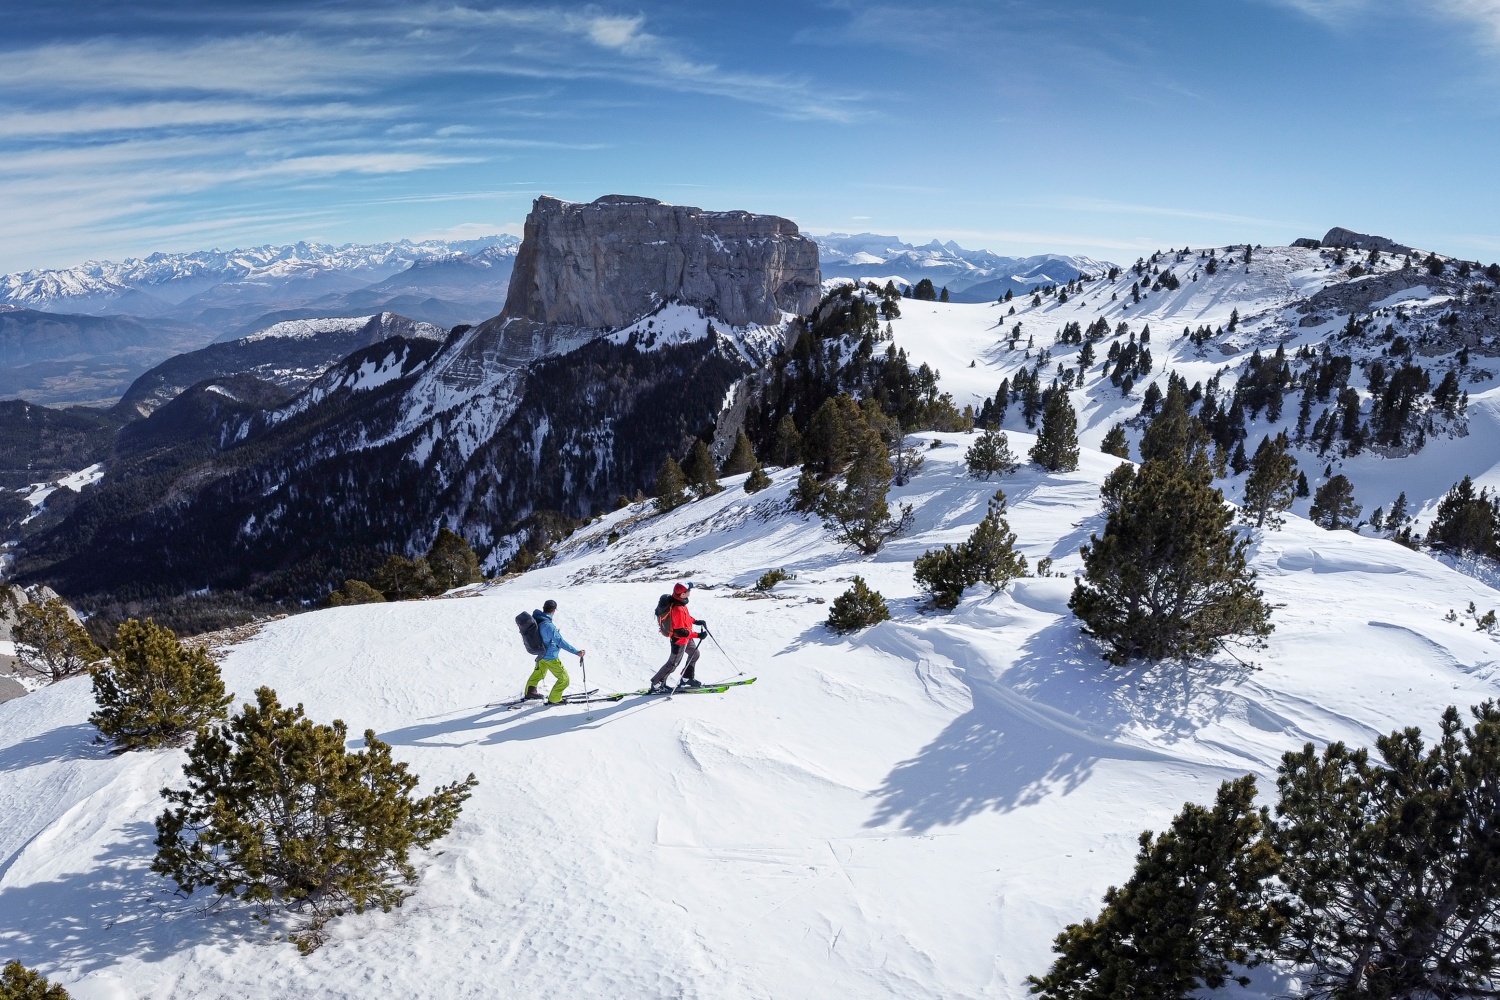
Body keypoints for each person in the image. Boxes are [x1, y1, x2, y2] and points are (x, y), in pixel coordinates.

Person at [525, 599, 585, 704]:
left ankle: (530, 693)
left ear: (543, 608)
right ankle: (554, 699)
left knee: (538, 674)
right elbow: (561, 642)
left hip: (541, 655)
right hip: (550, 657)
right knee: (564, 679)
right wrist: (577, 652)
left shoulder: (537, 619)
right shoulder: (548, 625)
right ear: (554, 610)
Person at [649, 582, 706, 694]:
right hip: (679, 641)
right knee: (672, 664)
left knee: (695, 654)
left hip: (687, 639)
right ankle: (656, 684)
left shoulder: (681, 604)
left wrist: (696, 621)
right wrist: (698, 635)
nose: (690, 592)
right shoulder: (677, 608)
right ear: (683, 594)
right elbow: (680, 631)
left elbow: (686, 618)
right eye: (688, 590)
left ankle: (686, 678)